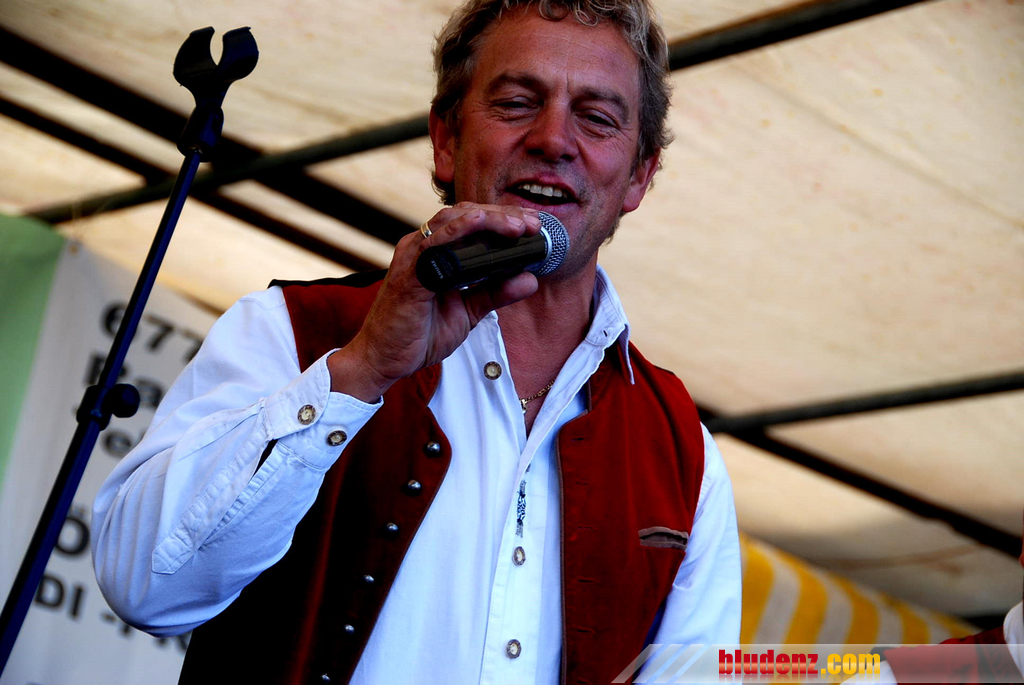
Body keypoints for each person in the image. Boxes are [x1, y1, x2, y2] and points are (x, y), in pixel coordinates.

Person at [91, 1, 742, 683]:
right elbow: (144, 588)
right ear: (446, 138)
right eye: (517, 103)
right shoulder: (290, 330)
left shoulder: (687, 455)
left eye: (598, 118)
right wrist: (361, 371)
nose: (554, 139)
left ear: (639, 175)